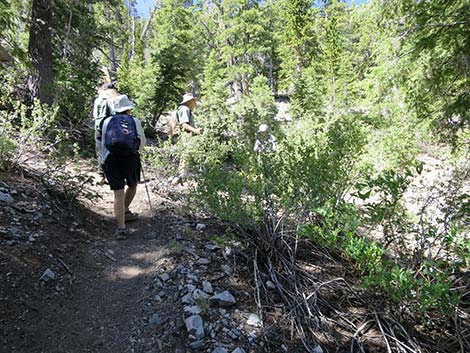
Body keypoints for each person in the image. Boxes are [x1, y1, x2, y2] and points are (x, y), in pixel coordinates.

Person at [100, 94, 146, 240]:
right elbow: (142, 141)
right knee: (133, 185)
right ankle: (125, 210)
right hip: (131, 158)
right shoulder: (135, 121)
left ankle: (121, 228)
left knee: (118, 193)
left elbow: (103, 143)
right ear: (128, 109)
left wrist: (102, 161)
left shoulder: (107, 121)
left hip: (111, 159)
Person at [171, 93, 203, 185]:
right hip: (185, 136)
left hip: (182, 136)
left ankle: (180, 179)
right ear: (190, 101)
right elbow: (184, 124)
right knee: (185, 158)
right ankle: (178, 179)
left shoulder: (183, 109)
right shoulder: (185, 109)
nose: (195, 103)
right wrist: (196, 131)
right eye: (194, 101)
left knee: (184, 158)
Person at [92, 82, 119, 181]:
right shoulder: (114, 100)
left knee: (100, 151)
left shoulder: (98, 100)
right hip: (112, 129)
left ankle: (101, 174)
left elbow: (95, 115)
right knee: (112, 151)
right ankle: (111, 174)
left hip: (99, 128)